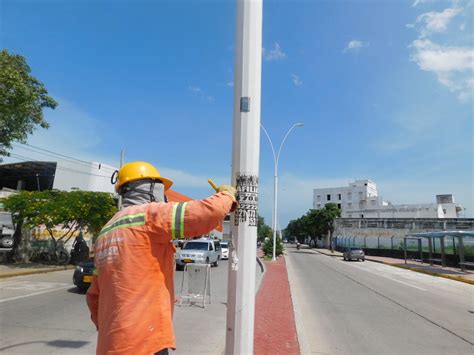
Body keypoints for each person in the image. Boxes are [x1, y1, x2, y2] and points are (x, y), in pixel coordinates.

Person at [86, 161, 236, 355]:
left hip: (111, 344)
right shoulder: (148, 215)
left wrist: (111, 330)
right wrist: (227, 195)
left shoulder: (105, 232)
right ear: (150, 188)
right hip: (145, 343)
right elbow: (206, 213)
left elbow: (93, 296)